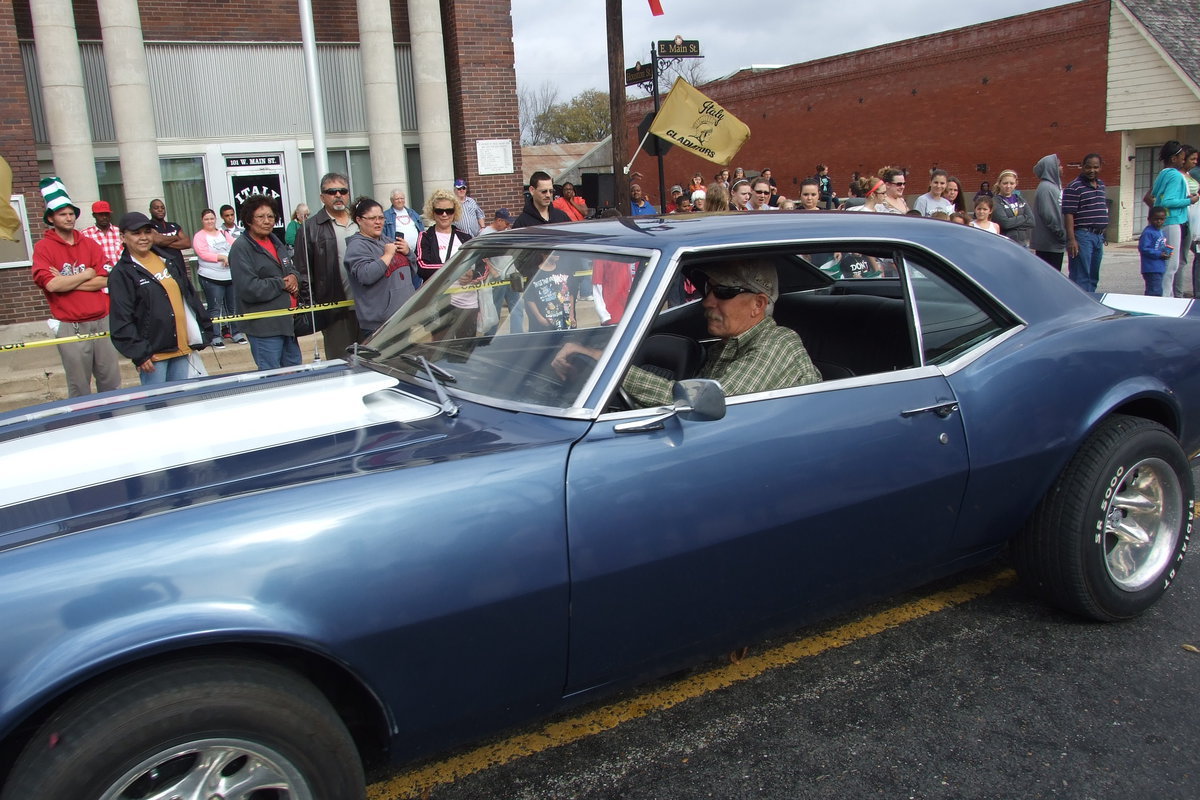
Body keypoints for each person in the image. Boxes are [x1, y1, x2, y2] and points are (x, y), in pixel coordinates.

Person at [553, 260, 821, 408]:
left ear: (758, 305)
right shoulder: (723, 348)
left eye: (723, 292)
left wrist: (608, 366)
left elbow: (710, 402)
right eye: (708, 290)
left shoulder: (779, 343)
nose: (707, 302)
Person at [31, 177, 122, 396]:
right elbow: (51, 285)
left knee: (111, 381)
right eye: (63, 214)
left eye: (71, 213)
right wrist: (87, 273)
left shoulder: (89, 243)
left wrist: (69, 282)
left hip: (102, 320)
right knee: (79, 385)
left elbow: (107, 279)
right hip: (70, 324)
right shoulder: (43, 248)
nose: (69, 218)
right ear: (51, 218)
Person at [108, 211, 212, 385]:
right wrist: (139, 353)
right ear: (123, 237)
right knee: (159, 408)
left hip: (182, 348)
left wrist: (204, 328)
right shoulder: (121, 273)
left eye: (147, 232)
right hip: (154, 356)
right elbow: (122, 318)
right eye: (136, 233)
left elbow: (189, 297)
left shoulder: (168, 260)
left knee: (181, 404)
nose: (143, 237)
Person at [230, 195, 302, 370]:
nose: (267, 221)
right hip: (264, 329)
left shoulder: (275, 241)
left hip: (287, 324)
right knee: (272, 380)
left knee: (297, 376)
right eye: (260, 217)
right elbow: (248, 288)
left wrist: (293, 277)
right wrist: (281, 283)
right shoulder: (241, 248)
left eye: (270, 216)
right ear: (248, 220)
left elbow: (290, 268)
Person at [294, 172, 359, 359]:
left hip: (367, 305)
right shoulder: (310, 227)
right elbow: (303, 271)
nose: (338, 195)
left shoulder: (362, 221)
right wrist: (313, 306)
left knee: (370, 360)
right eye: (331, 192)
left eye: (342, 190)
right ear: (322, 197)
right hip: (334, 308)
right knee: (342, 360)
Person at [344, 196, 415, 340]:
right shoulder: (356, 246)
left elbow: (413, 271)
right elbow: (366, 275)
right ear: (359, 220)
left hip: (403, 318)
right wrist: (387, 255)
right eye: (372, 218)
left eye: (381, 218)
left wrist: (409, 253)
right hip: (379, 325)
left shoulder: (389, 241)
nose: (378, 222)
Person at [1149, 141, 1199, 297]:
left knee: (1166, 262)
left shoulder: (1164, 173)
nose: (1184, 161)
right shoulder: (1176, 175)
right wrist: (1189, 201)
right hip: (1173, 223)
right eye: (1182, 158)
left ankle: (1165, 295)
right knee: (1172, 265)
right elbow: (1167, 202)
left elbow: (1155, 194)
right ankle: (1166, 298)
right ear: (1173, 158)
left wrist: (1183, 197)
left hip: (1166, 225)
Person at [192, 208, 245, 348]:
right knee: (215, 308)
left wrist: (231, 257)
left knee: (233, 306)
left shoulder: (223, 233)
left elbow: (236, 245)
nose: (210, 221)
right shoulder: (199, 236)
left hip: (229, 275)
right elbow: (203, 253)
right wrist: (221, 257)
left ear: (216, 219)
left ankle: (236, 333)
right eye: (206, 219)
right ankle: (215, 335)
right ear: (202, 221)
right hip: (210, 276)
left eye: (212, 218)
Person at [1062, 153, 1108, 292]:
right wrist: (1071, 240)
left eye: (1095, 167)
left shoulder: (1101, 185)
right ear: (1082, 167)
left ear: (1100, 167)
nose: (1092, 170)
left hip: (1098, 237)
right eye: (1088, 167)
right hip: (1083, 236)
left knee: (1093, 277)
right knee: (1081, 277)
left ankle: (1091, 305)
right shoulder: (1074, 187)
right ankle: (1078, 307)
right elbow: (1068, 214)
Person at [415, 188, 472, 282]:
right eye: (439, 211)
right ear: (432, 212)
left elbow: (481, 265)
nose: (444, 215)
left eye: (449, 211)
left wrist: (473, 274)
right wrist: (456, 270)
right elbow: (422, 267)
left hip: (468, 294)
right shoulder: (425, 237)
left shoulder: (466, 237)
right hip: (441, 295)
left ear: (455, 212)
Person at [1031, 155, 1066, 270]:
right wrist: (1061, 234)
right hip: (1049, 245)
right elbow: (1049, 215)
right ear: (1051, 168)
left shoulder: (1053, 187)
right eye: (1059, 165)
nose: (1062, 167)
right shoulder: (1046, 188)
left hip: (1054, 244)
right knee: (1050, 277)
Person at [524, 251, 575, 331]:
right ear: (544, 254)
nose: (558, 254)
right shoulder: (533, 274)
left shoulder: (564, 269)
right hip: (544, 326)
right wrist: (539, 318)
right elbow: (529, 298)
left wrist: (571, 315)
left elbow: (571, 293)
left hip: (565, 322)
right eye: (554, 252)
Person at [992, 170, 1034, 247]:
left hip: (1022, 244)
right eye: (1005, 183)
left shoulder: (1021, 200)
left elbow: (1031, 222)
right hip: (1006, 243)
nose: (1008, 186)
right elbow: (1005, 224)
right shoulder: (995, 201)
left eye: (1012, 183)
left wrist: (1012, 224)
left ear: (1016, 184)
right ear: (999, 183)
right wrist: (1024, 217)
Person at [79, 200, 122, 268]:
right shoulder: (85, 234)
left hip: (121, 273)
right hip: (98, 275)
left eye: (106, 214)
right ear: (94, 215)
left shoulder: (120, 232)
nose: (104, 217)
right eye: (101, 214)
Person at [1139, 206, 1170, 297]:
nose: (1159, 221)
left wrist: (1166, 252)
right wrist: (1159, 254)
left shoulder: (1160, 231)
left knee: (1158, 290)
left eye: (1162, 219)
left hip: (1160, 266)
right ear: (1149, 219)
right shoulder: (1148, 232)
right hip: (1151, 268)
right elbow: (1144, 248)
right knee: (1154, 292)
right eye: (1156, 219)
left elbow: (1161, 245)